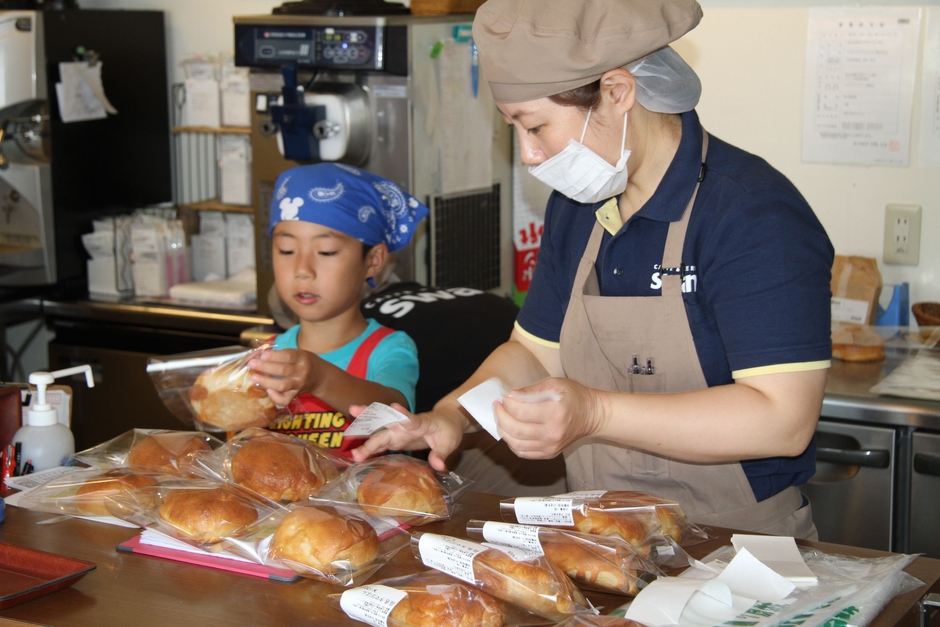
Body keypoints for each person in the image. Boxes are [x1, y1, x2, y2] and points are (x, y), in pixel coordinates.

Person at [352, 0, 834, 538]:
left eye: (536, 127)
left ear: (617, 92)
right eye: (513, 127)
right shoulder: (580, 205)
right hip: (600, 536)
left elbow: (782, 420)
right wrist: (451, 415)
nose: (530, 156)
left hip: (737, 549)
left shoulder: (752, 213)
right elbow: (534, 353)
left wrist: (595, 415)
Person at [249, 163, 426, 457]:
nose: (302, 270)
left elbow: (393, 419)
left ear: (372, 260)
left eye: (326, 251)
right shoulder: (268, 355)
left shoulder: (389, 349)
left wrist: (320, 379)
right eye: (286, 250)